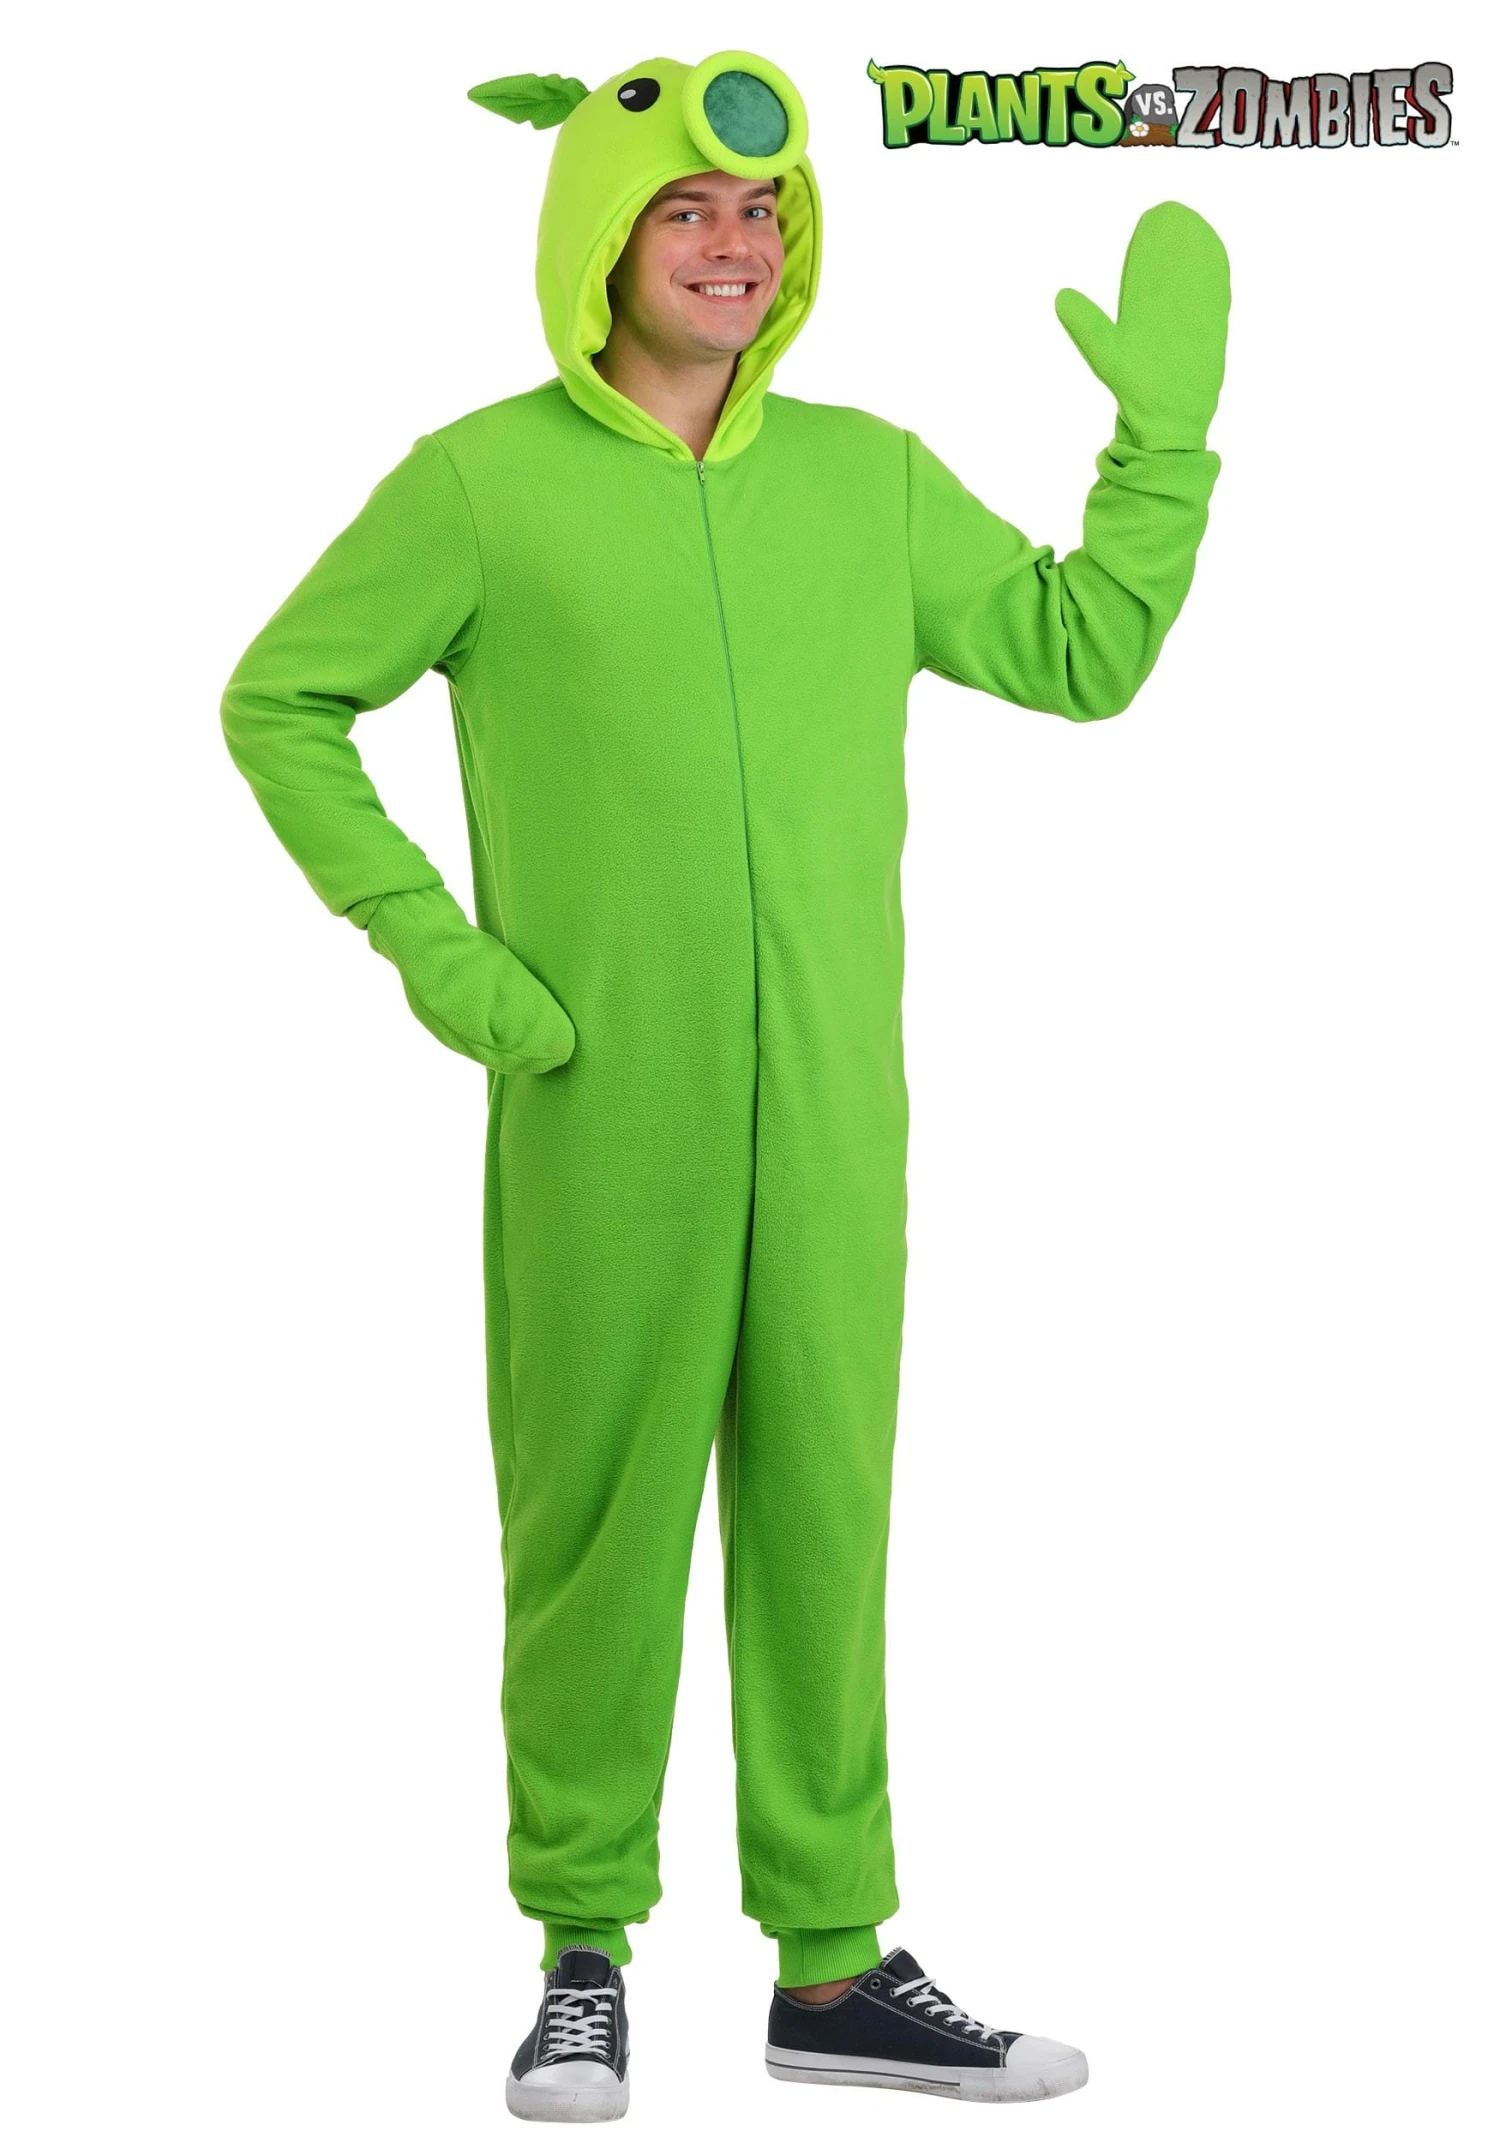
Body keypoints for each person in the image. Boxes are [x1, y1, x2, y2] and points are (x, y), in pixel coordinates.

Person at [220, 48, 1229, 2123]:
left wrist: (1163, 451)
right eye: (686, 211)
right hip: (606, 1101)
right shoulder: (480, 483)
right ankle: (581, 1952)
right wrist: (440, 952)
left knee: (825, 1516)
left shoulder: (867, 479)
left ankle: (834, 1966)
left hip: (838, 1109)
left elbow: (1079, 653)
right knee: (593, 1526)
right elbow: (282, 698)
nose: (735, 247)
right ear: (597, 236)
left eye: (763, 214)